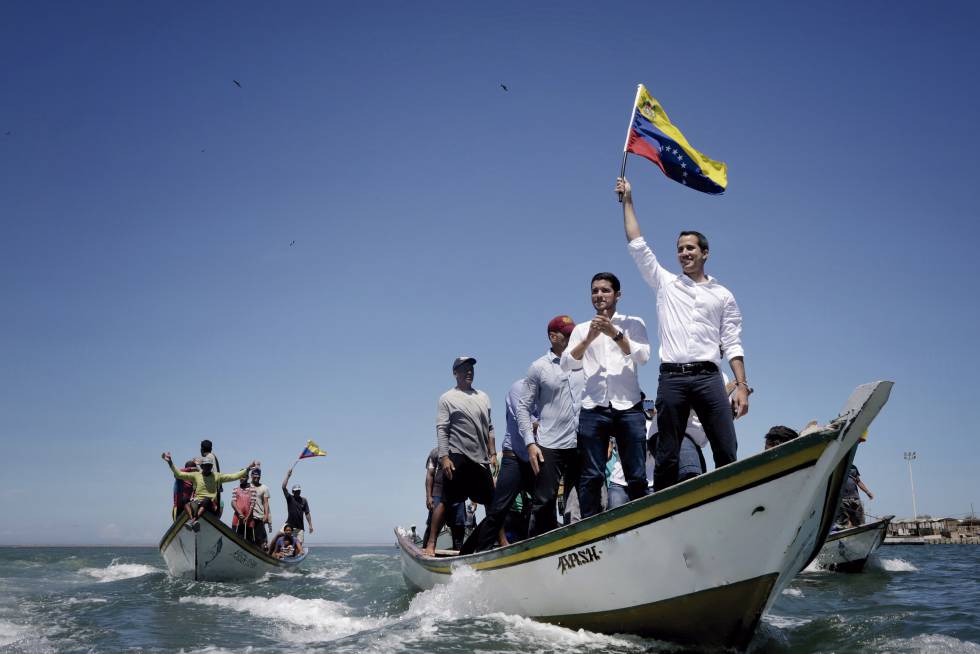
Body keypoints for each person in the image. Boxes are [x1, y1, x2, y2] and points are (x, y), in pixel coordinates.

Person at [617, 176, 749, 492]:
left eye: (690, 248)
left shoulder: (723, 295)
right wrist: (628, 200)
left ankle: (728, 498)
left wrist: (741, 385)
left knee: (726, 446)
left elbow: (732, 343)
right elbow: (637, 244)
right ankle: (664, 507)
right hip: (672, 379)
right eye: (679, 249)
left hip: (708, 378)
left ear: (705, 253)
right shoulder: (665, 284)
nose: (684, 253)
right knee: (667, 454)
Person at [562, 273, 652, 518]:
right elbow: (567, 363)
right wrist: (588, 339)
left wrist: (615, 333)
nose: (599, 295)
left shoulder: (634, 323)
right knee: (591, 475)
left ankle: (643, 522)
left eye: (605, 290)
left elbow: (643, 357)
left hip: (628, 405)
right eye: (595, 290)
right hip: (594, 406)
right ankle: (591, 527)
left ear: (617, 295)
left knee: (636, 474)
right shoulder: (582, 329)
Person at [519, 315, 586, 536]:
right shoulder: (538, 367)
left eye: (572, 334)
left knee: (582, 498)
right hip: (550, 444)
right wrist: (530, 443)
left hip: (581, 441)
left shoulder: (584, 362)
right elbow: (523, 408)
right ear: (553, 337)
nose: (571, 338)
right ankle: (536, 548)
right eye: (566, 334)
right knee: (544, 501)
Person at [424, 356, 497, 556]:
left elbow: (490, 428)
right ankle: (431, 544)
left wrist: (492, 453)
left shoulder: (483, 396)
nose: (469, 372)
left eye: (471, 368)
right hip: (457, 456)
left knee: (492, 502)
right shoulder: (447, 398)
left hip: (480, 459)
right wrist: (444, 457)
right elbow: (442, 429)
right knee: (445, 501)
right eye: (464, 369)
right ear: (455, 373)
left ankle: (501, 541)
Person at [476, 378, 537, 551]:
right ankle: (481, 554)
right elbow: (527, 423)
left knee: (544, 502)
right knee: (498, 510)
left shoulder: (549, 395)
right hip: (514, 458)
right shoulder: (519, 388)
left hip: (534, 458)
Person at [161, 452, 258, 529]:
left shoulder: (217, 476)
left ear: (211, 467)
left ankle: (194, 520)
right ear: (202, 467)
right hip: (197, 503)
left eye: (209, 466)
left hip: (209, 505)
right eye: (206, 466)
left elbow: (233, 476)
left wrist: (248, 469)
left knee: (207, 500)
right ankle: (192, 521)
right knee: (184, 499)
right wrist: (170, 462)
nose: (208, 468)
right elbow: (178, 474)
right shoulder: (196, 475)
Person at [422, 447, 465, 550]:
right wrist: (429, 496)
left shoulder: (462, 450)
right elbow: (430, 475)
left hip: (458, 495)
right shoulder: (435, 452)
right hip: (438, 494)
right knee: (433, 524)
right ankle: (425, 549)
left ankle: (458, 552)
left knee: (459, 524)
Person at [282, 468, 315, 545]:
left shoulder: (304, 500)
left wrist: (310, 525)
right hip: (289, 526)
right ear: (293, 491)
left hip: (300, 528)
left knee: (299, 544)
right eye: (296, 491)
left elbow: (307, 513)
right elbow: (283, 487)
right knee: (279, 536)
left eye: (299, 491)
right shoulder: (290, 498)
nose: (297, 492)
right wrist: (288, 476)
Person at [248, 468, 272, 549]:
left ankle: (262, 550)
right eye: (255, 476)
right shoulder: (248, 486)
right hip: (249, 516)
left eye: (258, 476)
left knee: (260, 539)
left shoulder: (264, 488)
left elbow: (266, 502)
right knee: (249, 537)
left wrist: (266, 515)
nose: (256, 477)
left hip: (259, 516)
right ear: (251, 476)